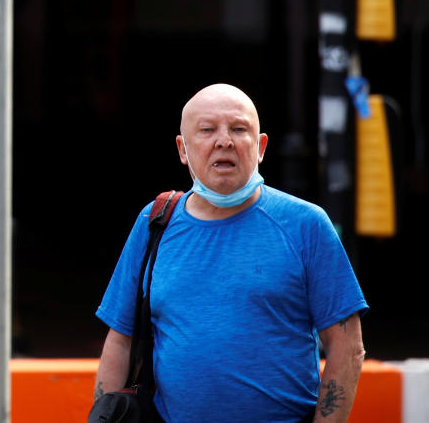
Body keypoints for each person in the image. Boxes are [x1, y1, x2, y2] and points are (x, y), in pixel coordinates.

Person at [94, 83, 367, 422]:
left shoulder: (306, 225)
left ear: (261, 146)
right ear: (182, 148)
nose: (224, 141)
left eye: (239, 129)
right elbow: (121, 341)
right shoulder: (154, 223)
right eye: (207, 130)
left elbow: (347, 349)